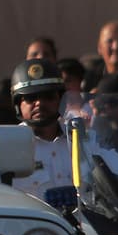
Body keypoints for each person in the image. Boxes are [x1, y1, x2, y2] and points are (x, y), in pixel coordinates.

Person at [7, 58, 73, 209]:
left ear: (61, 99)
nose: (39, 103)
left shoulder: (82, 139)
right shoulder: (7, 147)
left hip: (85, 230)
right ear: (18, 104)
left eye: (48, 96)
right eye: (30, 98)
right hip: (31, 230)